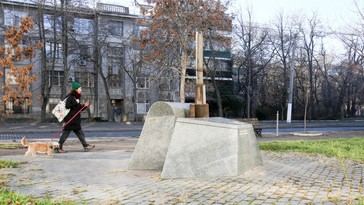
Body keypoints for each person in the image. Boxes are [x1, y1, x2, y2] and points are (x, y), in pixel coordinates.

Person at [58, 81, 95, 153]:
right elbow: (68, 106)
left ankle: (85, 146)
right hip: (71, 120)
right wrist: (81, 105)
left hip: (74, 120)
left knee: (79, 133)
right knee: (66, 134)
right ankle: (59, 147)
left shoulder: (75, 97)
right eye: (80, 88)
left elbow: (78, 109)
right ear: (76, 89)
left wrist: (85, 106)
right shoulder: (71, 97)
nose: (81, 89)